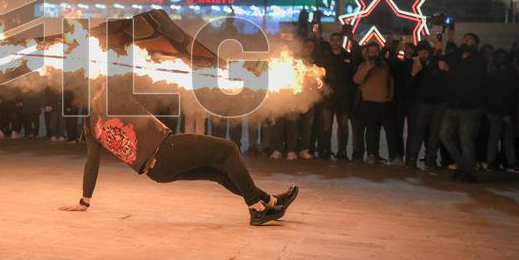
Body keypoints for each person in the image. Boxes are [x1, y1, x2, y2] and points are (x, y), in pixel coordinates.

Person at [59, 79, 299, 226]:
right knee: (227, 149)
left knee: (217, 171)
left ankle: (269, 201)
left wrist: (85, 200)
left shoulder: (89, 123)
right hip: (166, 149)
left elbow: (92, 161)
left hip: (156, 172)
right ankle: (257, 209)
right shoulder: (114, 93)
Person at [438, 33, 488, 182]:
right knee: (445, 135)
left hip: (470, 106)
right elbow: (441, 62)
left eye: (470, 39)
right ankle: (462, 165)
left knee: (466, 139)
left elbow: (469, 78)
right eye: (465, 39)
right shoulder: (456, 57)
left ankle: (470, 171)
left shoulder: (478, 60)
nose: (467, 41)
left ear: (476, 43)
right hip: (454, 104)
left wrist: (449, 70)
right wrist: (438, 49)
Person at [353, 42, 397, 164]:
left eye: (376, 51)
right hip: (369, 102)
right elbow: (356, 80)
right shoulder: (363, 65)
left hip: (384, 102)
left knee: (390, 130)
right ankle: (371, 155)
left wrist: (391, 95)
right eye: (371, 52)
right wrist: (367, 68)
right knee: (372, 130)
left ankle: (394, 156)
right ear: (367, 53)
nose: (374, 54)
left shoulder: (384, 65)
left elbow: (391, 80)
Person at [405, 40, 446, 169]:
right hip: (422, 104)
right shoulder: (415, 64)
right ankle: (412, 161)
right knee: (419, 133)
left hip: (437, 104)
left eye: (425, 52)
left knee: (434, 134)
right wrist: (413, 73)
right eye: (421, 52)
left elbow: (444, 79)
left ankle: (430, 161)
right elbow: (408, 87)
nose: (423, 55)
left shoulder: (436, 63)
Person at [315, 32, 354, 160]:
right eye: (333, 40)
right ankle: (326, 150)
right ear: (330, 41)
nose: (336, 42)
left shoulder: (348, 56)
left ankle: (342, 151)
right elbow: (318, 74)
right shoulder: (325, 56)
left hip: (343, 98)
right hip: (328, 97)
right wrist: (324, 87)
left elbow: (352, 77)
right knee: (326, 125)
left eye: (338, 40)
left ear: (341, 41)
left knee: (343, 126)